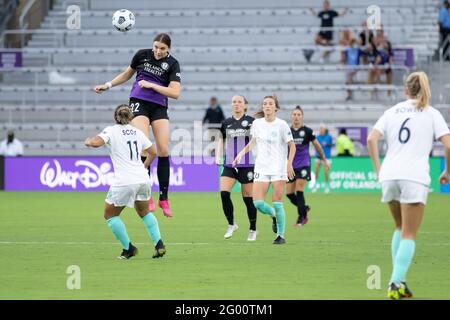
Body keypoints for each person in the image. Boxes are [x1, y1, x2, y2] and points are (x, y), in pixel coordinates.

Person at [367, 71, 450, 299]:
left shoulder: (392, 111)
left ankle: (399, 282)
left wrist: (378, 170)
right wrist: (447, 171)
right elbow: (448, 144)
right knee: (410, 233)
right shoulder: (431, 113)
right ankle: (395, 283)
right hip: (414, 176)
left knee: (399, 227)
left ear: (406, 91)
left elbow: (371, 139)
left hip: (390, 175)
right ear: (424, 90)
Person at [94, 33, 181, 218]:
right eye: (156, 46)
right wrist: (108, 85)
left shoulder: (173, 63)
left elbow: (175, 93)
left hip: (159, 106)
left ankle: (164, 198)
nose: (158, 51)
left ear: (169, 50)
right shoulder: (142, 55)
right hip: (139, 103)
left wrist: (152, 85)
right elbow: (127, 74)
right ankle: (145, 195)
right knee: (144, 147)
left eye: (162, 49)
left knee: (164, 150)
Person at [84, 104, 166, 259]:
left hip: (124, 181)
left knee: (110, 215)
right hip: (142, 178)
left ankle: (128, 248)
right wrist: (144, 165)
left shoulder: (111, 130)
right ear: (131, 117)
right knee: (144, 212)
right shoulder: (137, 132)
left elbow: (95, 143)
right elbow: (154, 152)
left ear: (116, 117)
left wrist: (88, 141)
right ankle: (159, 244)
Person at [233, 95, 296, 245]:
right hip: (261, 167)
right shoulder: (257, 124)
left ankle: (280, 235)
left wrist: (289, 164)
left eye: (270, 104)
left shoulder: (282, 125)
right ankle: (274, 216)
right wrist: (241, 154)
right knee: (258, 203)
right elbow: (253, 142)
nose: (267, 106)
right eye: (265, 104)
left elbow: (292, 145)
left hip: (278, 168)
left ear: (276, 108)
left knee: (277, 202)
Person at [216, 95, 257, 241]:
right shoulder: (226, 122)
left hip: (246, 164)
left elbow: (254, 141)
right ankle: (231, 224)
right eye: (234, 102)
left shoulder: (251, 122)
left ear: (245, 105)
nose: (236, 104)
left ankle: (253, 229)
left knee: (248, 199)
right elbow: (221, 140)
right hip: (229, 164)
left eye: (239, 102)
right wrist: (218, 156)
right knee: (224, 193)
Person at [286, 106, 328, 227]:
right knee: (289, 194)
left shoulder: (308, 131)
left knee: (299, 190)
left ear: (302, 117)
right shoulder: (287, 131)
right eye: (294, 114)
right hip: (291, 166)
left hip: (304, 164)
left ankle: (301, 218)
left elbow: (317, 146)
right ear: (291, 116)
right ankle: (304, 208)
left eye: (299, 114)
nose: (296, 117)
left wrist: (324, 159)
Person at [313, 124, 333, 193]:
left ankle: (326, 186)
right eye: (320, 129)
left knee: (326, 172)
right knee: (316, 171)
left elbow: (330, 145)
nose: (321, 130)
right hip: (318, 156)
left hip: (327, 157)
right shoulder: (317, 137)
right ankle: (315, 185)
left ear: (325, 130)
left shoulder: (329, 137)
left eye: (322, 129)